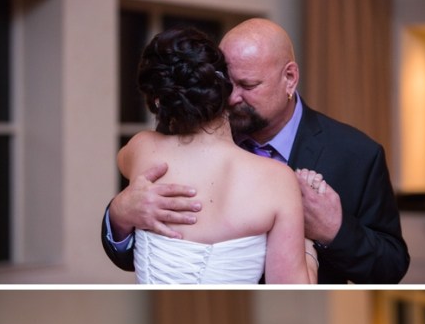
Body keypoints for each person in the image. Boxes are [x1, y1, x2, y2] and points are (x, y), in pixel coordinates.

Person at [102, 18, 409, 284]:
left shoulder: (356, 155)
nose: (232, 98)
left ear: (289, 78)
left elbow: (391, 267)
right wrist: (120, 214)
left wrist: (335, 232)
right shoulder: (178, 135)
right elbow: (150, 251)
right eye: (226, 82)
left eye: (248, 85)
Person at [116, 27, 315, 284]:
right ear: (223, 86)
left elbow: (123, 160)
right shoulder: (277, 181)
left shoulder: (141, 150)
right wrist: (309, 248)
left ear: (158, 100)